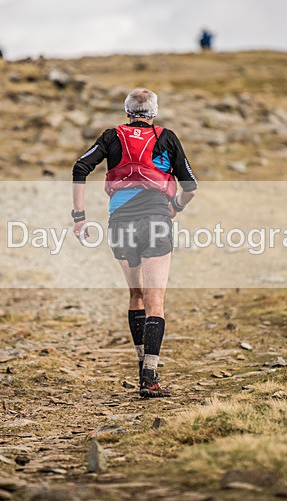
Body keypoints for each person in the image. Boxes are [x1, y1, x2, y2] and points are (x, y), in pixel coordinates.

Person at [71, 88, 198, 398]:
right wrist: (176, 207)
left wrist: (79, 217)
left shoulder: (111, 136)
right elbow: (191, 186)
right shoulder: (166, 137)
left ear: (127, 112)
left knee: (136, 294)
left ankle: (141, 363)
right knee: (156, 300)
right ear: (154, 112)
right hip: (156, 220)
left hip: (120, 223)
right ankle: (149, 377)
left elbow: (80, 167)